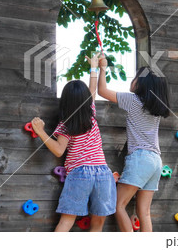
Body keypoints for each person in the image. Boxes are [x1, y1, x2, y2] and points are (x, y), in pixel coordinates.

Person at [31, 53, 116, 232]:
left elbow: (59, 151)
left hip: (80, 173)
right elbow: (92, 91)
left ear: (66, 102)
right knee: (98, 223)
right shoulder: (91, 114)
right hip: (103, 172)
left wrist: (40, 132)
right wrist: (96, 67)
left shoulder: (66, 124)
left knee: (66, 221)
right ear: (86, 100)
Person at [97, 58, 170, 232]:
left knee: (118, 205)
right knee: (144, 212)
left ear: (140, 85)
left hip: (140, 158)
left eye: (135, 78)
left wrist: (102, 68)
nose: (132, 81)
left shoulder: (133, 100)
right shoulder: (155, 109)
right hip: (155, 162)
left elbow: (101, 91)